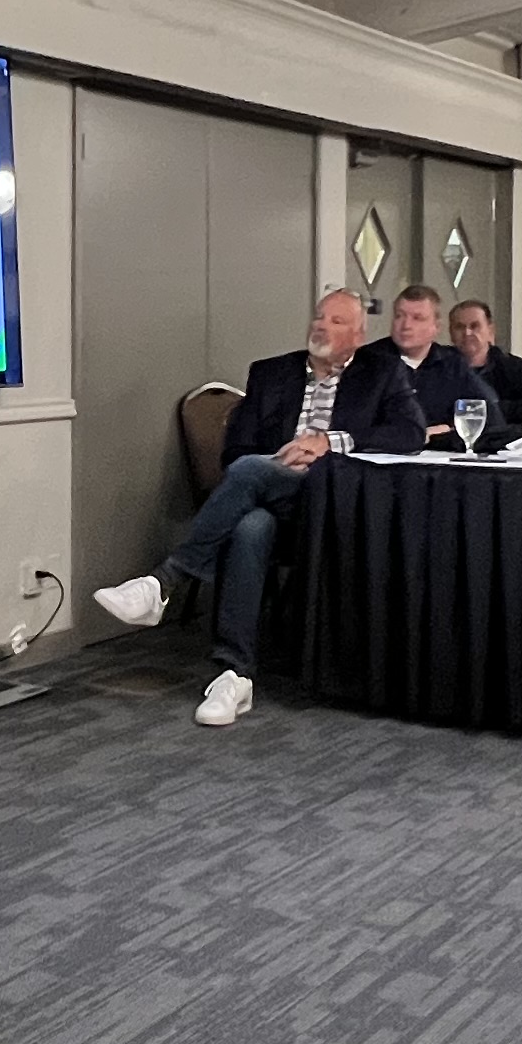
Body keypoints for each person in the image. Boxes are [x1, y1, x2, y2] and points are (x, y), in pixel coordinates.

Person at [92, 288, 423, 726]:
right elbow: (235, 453)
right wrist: (276, 463)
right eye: (320, 317)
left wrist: (326, 443)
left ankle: (165, 582)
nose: (322, 325)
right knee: (250, 520)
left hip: (331, 500)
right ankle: (235, 675)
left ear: (359, 336)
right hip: (269, 494)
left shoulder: (381, 373)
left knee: (250, 486)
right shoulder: (271, 373)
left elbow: (411, 433)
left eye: (337, 321)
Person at [357, 284, 486, 447]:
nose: (405, 326)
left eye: (417, 318)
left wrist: (443, 434)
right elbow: (357, 427)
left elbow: (487, 418)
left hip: (440, 463)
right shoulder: (369, 360)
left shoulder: (453, 364)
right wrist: (422, 434)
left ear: (436, 327)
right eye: (399, 316)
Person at [448, 298, 522, 433]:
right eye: (459, 327)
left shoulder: (514, 367)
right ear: (451, 333)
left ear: (490, 330)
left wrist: (491, 409)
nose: (467, 333)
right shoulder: (439, 366)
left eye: (475, 326)